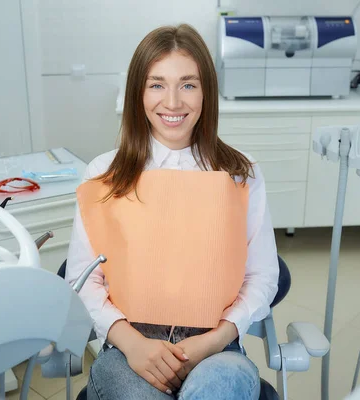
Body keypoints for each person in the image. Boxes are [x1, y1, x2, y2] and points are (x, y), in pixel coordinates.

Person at [65, 23, 279, 400]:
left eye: (188, 84)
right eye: (157, 84)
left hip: (218, 350)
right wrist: (133, 344)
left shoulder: (240, 174)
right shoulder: (103, 174)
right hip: (129, 348)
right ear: (138, 93)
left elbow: (262, 276)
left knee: (217, 390)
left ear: (206, 92)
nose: (174, 102)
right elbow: (82, 281)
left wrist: (214, 341)